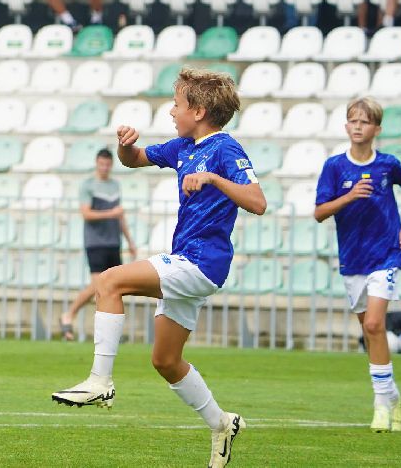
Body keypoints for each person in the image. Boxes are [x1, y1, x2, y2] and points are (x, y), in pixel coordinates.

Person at [52, 68, 266, 468]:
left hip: (202, 261)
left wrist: (214, 179)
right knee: (165, 361)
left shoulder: (225, 150)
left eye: (177, 104)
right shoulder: (185, 145)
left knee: (110, 280)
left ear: (199, 110)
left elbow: (257, 201)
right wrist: (123, 147)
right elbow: (134, 160)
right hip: (188, 260)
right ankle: (220, 423)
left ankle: (100, 382)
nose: (171, 111)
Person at [314, 98, 401, 433]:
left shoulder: (388, 164)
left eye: (365, 122)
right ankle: (393, 397)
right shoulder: (334, 166)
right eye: (352, 121)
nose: (358, 126)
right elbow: (319, 212)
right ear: (346, 126)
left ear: (376, 128)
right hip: (353, 258)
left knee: (374, 324)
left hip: (386, 254)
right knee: (370, 331)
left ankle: (379, 404)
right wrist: (349, 196)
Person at [58, 148, 137, 342]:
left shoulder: (115, 185)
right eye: (101, 164)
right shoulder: (88, 185)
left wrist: (130, 241)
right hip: (95, 242)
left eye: (108, 164)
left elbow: (120, 217)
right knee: (97, 286)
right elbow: (86, 214)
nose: (104, 167)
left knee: (112, 288)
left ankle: (106, 332)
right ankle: (69, 314)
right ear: (96, 163)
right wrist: (112, 213)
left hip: (113, 241)